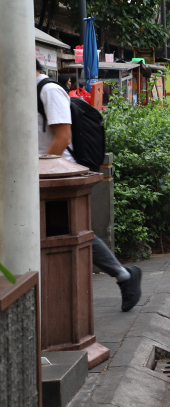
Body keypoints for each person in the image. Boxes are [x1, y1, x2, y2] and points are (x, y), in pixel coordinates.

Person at [36, 60, 142, 312]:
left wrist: (37, 176)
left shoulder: (48, 91)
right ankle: (124, 277)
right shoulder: (17, 91)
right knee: (65, 233)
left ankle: (123, 277)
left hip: (59, 180)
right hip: (40, 178)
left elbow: (62, 138)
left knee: (72, 232)